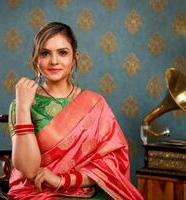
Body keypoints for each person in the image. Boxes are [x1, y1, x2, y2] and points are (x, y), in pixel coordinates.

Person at [8, 22, 143, 200]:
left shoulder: (95, 104)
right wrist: (23, 108)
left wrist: (63, 181)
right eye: (45, 53)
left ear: (74, 58)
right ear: (36, 60)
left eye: (62, 53)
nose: (54, 61)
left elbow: (112, 163)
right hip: (39, 192)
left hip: (87, 189)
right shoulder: (22, 104)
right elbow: (28, 170)